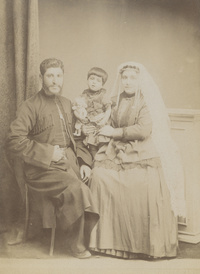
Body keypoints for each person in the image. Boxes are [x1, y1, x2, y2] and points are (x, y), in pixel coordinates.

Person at [88, 61, 186, 259]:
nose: (127, 81)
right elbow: (107, 121)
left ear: (139, 79)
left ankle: (146, 246)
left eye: (132, 77)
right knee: (99, 176)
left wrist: (114, 132)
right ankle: (106, 244)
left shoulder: (146, 101)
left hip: (141, 148)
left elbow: (143, 130)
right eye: (124, 77)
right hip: (116, 148)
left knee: (142, 183)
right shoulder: (114, 100)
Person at [6, 58, 99, 259]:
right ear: (41, 78)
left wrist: (83, 162)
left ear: (63, 77)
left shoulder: (66, 104)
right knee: (76, 188)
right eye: (50, 76)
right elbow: (13, 141)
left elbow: (78, 137)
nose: (55, 80)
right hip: (41, 169)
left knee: (96, 179)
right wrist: (48, 153)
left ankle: (92, 240)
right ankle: (75, 244)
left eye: (58, 75)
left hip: (69, 162)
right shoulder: (29, 106)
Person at [72, 67, 112, 158]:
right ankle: (95, 161)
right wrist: (80, 118)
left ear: (102, 85)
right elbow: (76, 109)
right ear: (87, 80)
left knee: (102, 142)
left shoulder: (103, 96)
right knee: (91, 145)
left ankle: (101, 160)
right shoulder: (83, 96)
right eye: (92, 79)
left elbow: (108, 109)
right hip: (88, 124)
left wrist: (104, 121)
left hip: (100, 123)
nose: (94, 82)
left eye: (98, 80)